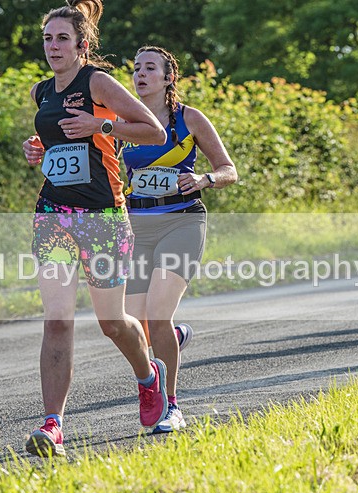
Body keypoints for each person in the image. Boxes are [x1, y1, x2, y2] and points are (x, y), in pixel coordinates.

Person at [21, 0, 169, 457]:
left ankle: (148, 376)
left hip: (103, 217)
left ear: (82, 45)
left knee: (110, 322)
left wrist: (99, 121)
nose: (53, 46)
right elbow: (59, 144)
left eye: (62, 38)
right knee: (57, 320)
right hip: (54, 216)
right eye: (48, 38)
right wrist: (38, 150)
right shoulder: (41, 91)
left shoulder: (98, 82)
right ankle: (53, 425)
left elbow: (153, 131)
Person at [122, 46, 237, 432]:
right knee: (133, 324)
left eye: (150, 68)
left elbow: (228, 169)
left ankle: (171, 404)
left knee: (156, 313)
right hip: (137, 225)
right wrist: (40, 147)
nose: (140, 75)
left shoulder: (189, 118)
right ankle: (171, 336)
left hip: (183, 221)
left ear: (169, 77)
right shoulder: (122, 119)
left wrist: (205, 178)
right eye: (136, 68)